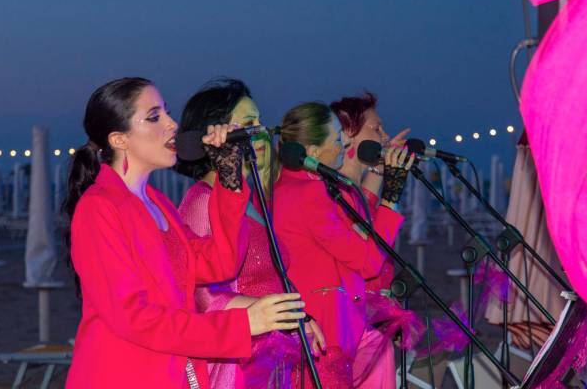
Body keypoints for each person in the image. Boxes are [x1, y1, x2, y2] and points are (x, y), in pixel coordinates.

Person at [64, 77, 305, 388]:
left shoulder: (159, 204)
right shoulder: (99, 208)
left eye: (166, 112)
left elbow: (220, 262)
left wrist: (228, 176)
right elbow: (133, 317)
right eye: (154, 117)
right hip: (123, 374)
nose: (172, 124)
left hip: (171, 373)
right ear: (119, 139)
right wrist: (240, 325)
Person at [176, 78, 324, 388]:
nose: (260, 129)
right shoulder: (202, 200)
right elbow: (202, 295)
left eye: (259, 120)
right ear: (217, 134)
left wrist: (296, 316)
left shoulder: (246, 199)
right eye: (249, 122)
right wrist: (276, 312)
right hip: (240, 361)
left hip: (270, 354)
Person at [274, 101, 413, 388]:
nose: (342, 146)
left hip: (310, 330)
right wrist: (392, 197)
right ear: (312, 152)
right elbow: (368, 262)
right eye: (337, 140)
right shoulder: (312, 193)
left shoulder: (284, 188)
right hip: (325, 333)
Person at [330, 92, 422, 388]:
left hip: (371, 323)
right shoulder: (333, 194)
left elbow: (368, 207)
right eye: (376, 128)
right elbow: (368, 246)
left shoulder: (353, 191)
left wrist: (382, 166)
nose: (383, 135)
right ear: (347, 133)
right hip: (353, 327)